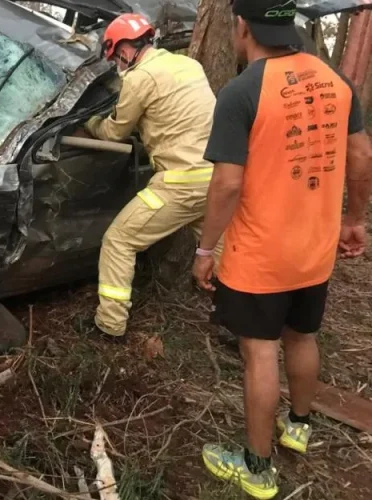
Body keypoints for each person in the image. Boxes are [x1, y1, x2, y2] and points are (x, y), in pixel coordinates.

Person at [192, 0, 372, 497]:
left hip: (260, 255)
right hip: (314, 250)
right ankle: (298, 427)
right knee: (303, 336)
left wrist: (206, 249)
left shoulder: (242, 91)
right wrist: (354, 219)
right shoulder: (337, 83)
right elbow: (362, 155)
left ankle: (256, 466)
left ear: (242, 26)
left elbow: (227, 185)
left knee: (260, 353)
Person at [84, 13, 223, 340]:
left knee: (119, 240)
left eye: (116, 56)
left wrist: (89, 122)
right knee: (224, 255)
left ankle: (110, 326)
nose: (118, 63)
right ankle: (240, 322)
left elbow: (114, 132)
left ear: (124, 50)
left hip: (180, 184)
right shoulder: (190, 66)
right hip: (217, 181)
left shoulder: (139, 78)